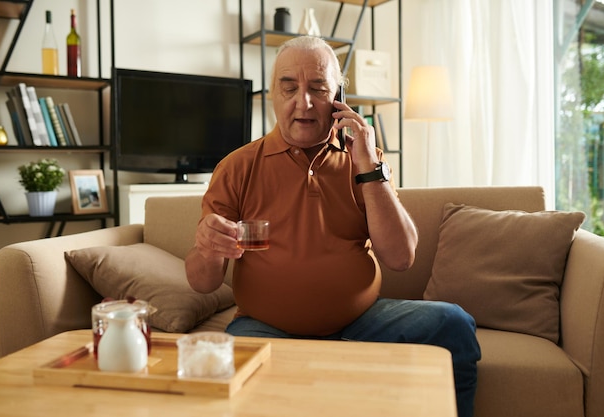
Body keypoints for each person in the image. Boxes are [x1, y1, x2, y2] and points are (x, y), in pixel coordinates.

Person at [185, 35, 481, 417]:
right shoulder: (238, 166)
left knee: (453, 323)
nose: (303, 102)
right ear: (273, 95)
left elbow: (402, 257)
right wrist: (209, 247)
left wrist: (368, 167)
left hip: (362, 323)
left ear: (338, 96)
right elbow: (201, 282)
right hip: (265, 327)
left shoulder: (365, 159)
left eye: (318, 88)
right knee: (243, 383)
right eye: (289, 88)